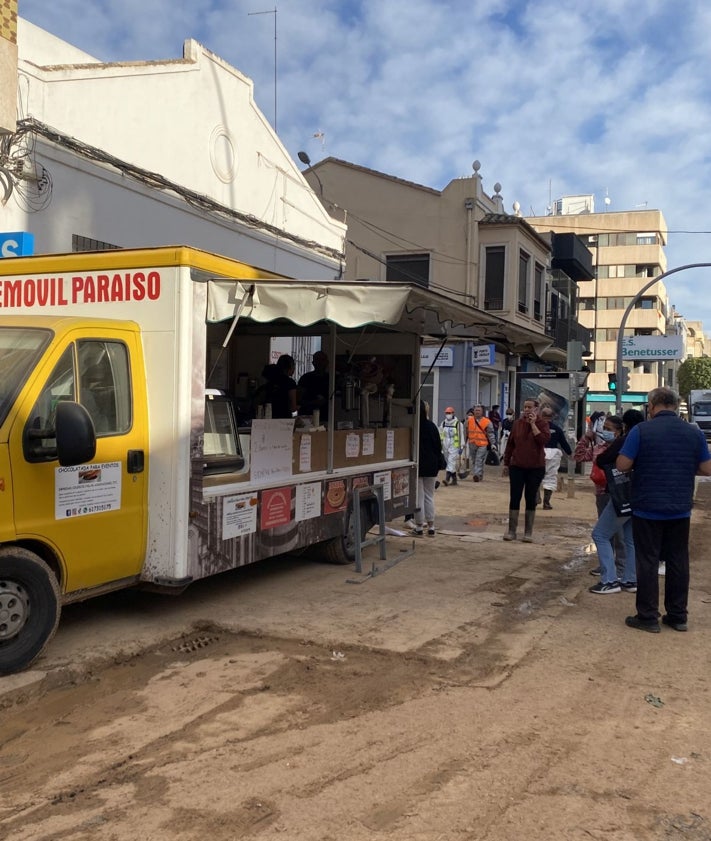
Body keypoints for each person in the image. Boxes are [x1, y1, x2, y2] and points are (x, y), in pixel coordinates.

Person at [617, 387, 711, 632]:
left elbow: (623, 464)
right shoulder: (693, 432)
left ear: (651, 406)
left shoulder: (640, 430)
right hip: (680, 507)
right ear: (676, 405)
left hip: (647, 506)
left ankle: (648, 616)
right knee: (678, 560)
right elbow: (707, 468)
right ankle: (678, 615)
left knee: (647, 560)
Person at [588, 409, 645, 595]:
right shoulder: (647, 438)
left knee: (600, 535)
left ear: (624, 426)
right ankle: (630, 579)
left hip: (623, 492)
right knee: (630, 539)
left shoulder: (627, 439)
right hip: (641, 493)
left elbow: (604, 459)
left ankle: (609, 580)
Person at [573, 414, 625, 577]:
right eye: (604, 428)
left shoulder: (622, 449)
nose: (605, 432)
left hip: (617, 494)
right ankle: (606, 564)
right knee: (605, 532)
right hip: (601, 493)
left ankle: (621, 566)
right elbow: (579, 456)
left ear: (618, 432)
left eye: (609, 429)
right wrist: (586, 438)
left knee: (620, 534)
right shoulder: (598, 448)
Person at [502, 399, 550, 542]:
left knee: (530, 498)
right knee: (515, 497)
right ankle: (512, 530)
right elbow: (510, 444)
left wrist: (533, 424)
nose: (527, 410)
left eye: (530, 407)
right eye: (525, 407)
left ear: (537, 409)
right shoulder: (517, 424)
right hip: (517, 465)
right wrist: (506, 463)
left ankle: (528, 532)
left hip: (535, 467)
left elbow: (543, 440)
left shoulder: (543, 424)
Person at [414, 400, 444, 536]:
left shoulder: (414, 426)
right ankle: (431, 526)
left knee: (419, 496)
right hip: (431, 465)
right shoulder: (432, 426)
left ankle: (419, 527)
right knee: (429, 496)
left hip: (417, 464)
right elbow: (438, 446)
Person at [539, 406, 572, 509]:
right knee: (550, 477)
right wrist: (570, 453)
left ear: (541, 415)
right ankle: (546, 503)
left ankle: (535, 497)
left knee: (535, 476)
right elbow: (563, 443)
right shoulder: (557, 429)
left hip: (539, 454)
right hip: (553, 455)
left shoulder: (536, 427)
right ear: (552, 417)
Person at [466, 405, 496, 482]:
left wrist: (493, 443)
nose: (477, 412)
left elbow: (491, 433)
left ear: (482, 412)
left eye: (479, 410)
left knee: (479, 459)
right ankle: (479, 474)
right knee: (474, 460)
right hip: (472, 443)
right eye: (476, 410)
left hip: (483, 444)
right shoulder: (469, 421)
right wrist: (464, 442)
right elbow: (465, 432)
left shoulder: (487, 422)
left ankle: (476, 474)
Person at [298, 350, 330, 421]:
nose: (320, 363)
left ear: (327, 362)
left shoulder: (331, 379)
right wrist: (314, 402)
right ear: (313, 363)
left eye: (322, 360)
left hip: (326, 417)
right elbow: (299, 400)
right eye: (317, 360)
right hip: (307, 417)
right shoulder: (305, 378)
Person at [266, 354, 298, 419]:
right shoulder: (290, 383)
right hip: (285, 418)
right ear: (289, 367)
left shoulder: (271, 381)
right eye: (293, 365)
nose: (294, 368)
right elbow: (293, 406)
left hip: (271, 417)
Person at [439, 406, 464, 486]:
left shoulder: (458, 424)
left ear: (453, 413)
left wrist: (461, 446)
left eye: (449, 413)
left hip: (454, 444)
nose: (448, 414)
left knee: (451, 460)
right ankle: (454, 480)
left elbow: (461, 435)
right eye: (447, 413)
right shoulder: (443, 423)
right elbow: (440, 434)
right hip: (445, 444)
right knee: (449, 462)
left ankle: (447, 479)